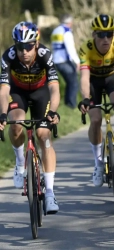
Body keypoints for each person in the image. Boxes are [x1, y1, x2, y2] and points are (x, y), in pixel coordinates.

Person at [0, 22, 60, 214]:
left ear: (36, 43)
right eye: (20, 47)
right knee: (16, 123)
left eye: (28, 46)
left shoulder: (45, 55)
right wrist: (2, 113)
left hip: (41, 93)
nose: (24, 51)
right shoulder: (8, 57)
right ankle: (19, 163)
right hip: (18, 93)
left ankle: (50, 193)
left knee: (43, 135)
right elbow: (4, 90)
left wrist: (54, 111)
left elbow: (54, 88)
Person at [78, 14, 114, 187]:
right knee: (95, 119)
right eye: (101, 34)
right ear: (94, 35)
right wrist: (86, 99)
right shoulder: (86, 48)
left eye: (109, 34)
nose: (105, 39)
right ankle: (98, 164)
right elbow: (85, 78)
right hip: (94, 82)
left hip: (112, 78)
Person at [51, 14, 80, 109]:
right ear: (70, 22)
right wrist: (77, 61)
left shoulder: (55, 31)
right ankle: (71, 105)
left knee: (69, 82)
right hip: (64, 61)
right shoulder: (66, 32)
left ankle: (67, 103)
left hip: (56, 60)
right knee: (74, 83)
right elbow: (70, 49)